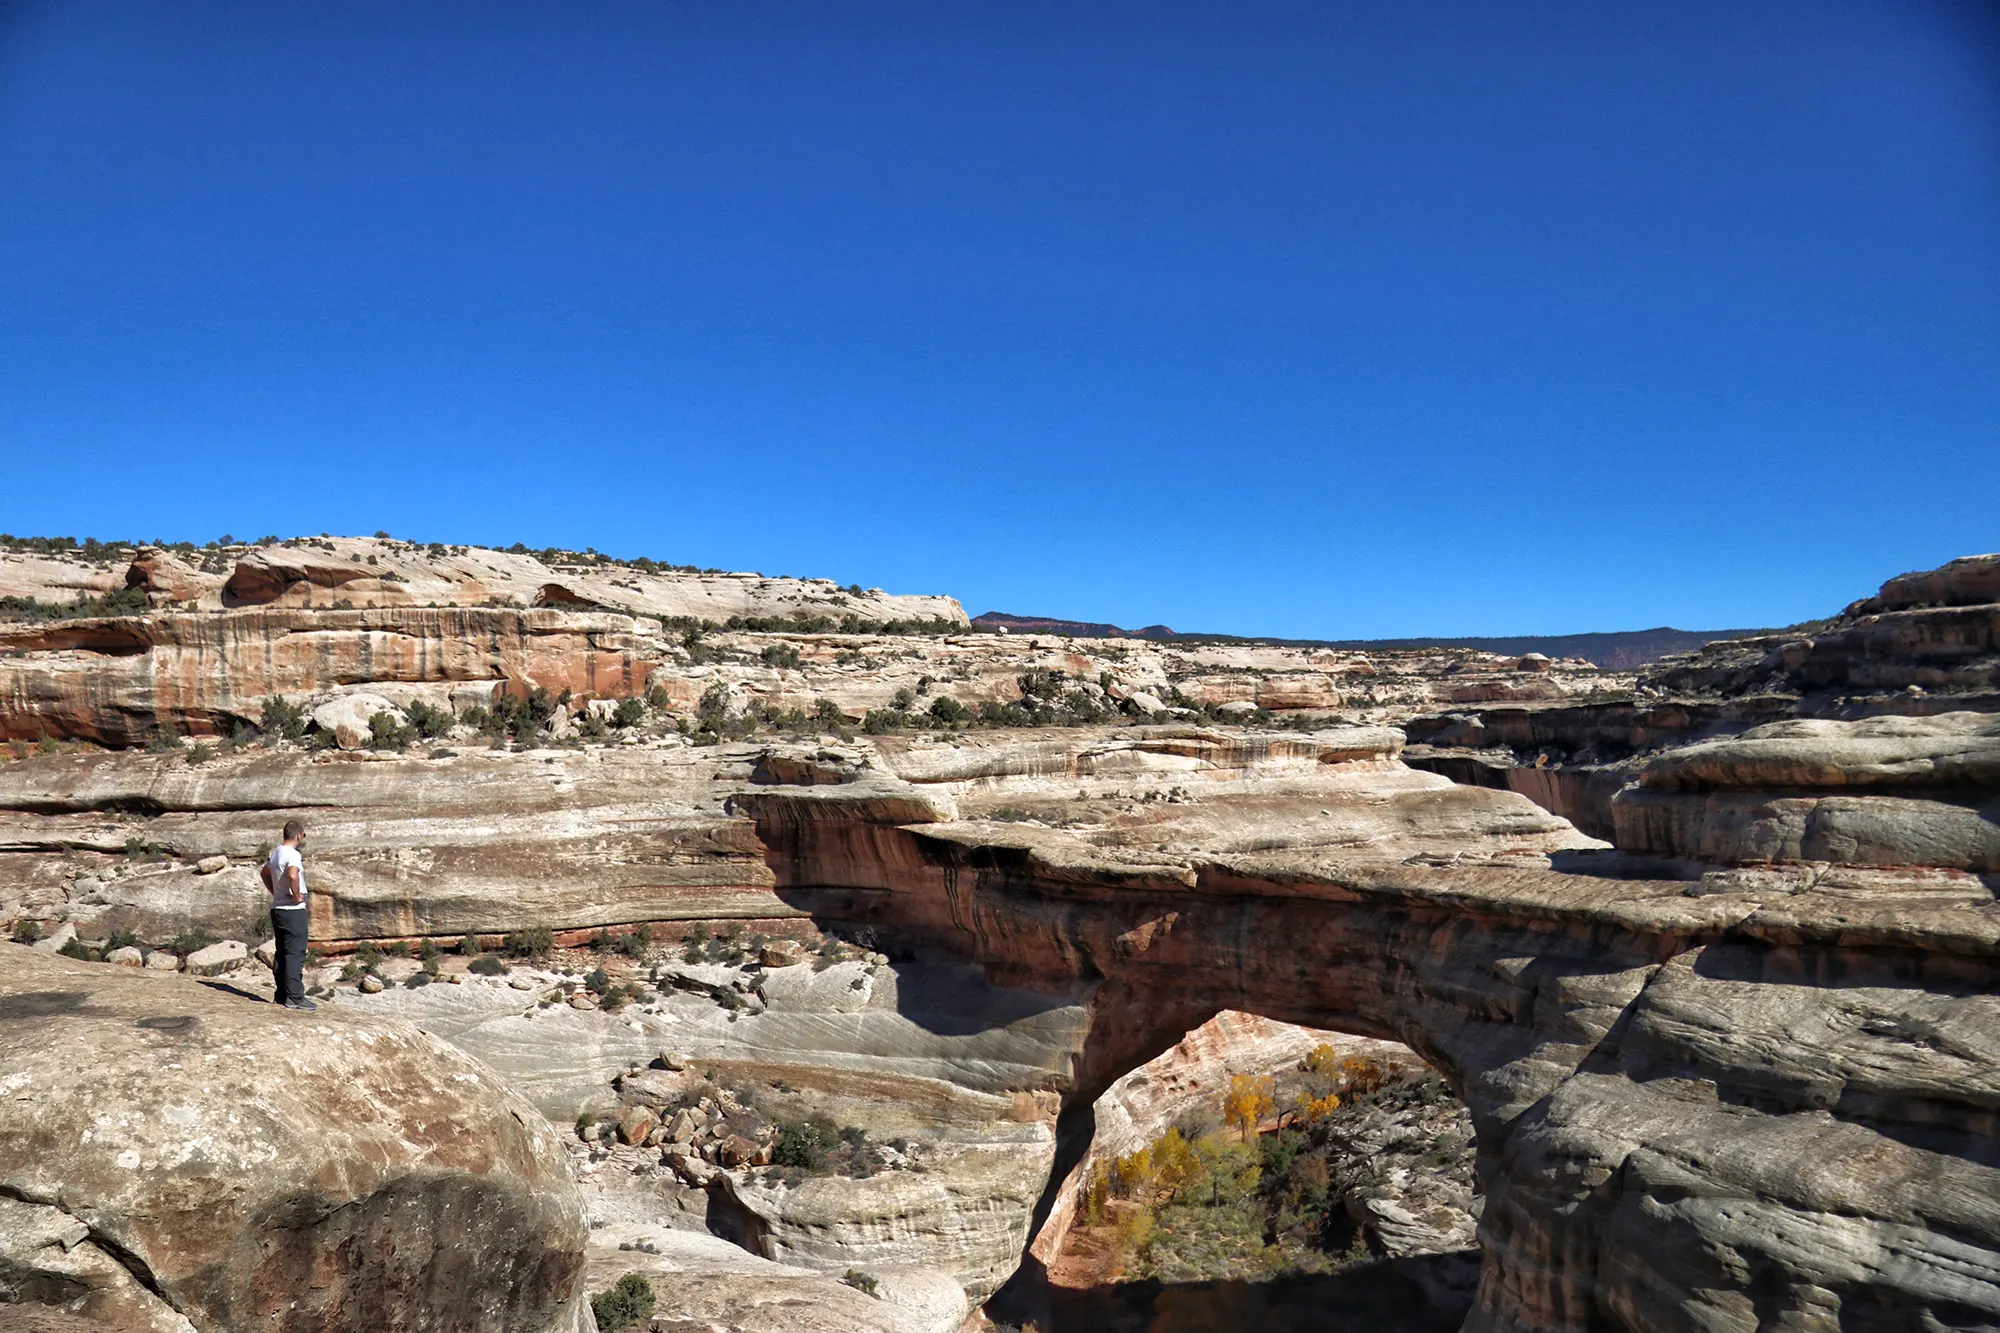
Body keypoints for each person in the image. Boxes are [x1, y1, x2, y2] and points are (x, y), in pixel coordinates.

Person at [259, 819, 316, 1010]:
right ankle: (295, 997)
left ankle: (281, 994)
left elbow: (264, 874)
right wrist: (296, 894)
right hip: (293, 911)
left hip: (278, 909)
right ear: (298, 835)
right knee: (295, 953)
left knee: (282, 952)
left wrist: (275, 892)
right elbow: (292, 875)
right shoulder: (293, 854)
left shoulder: (275, 852)